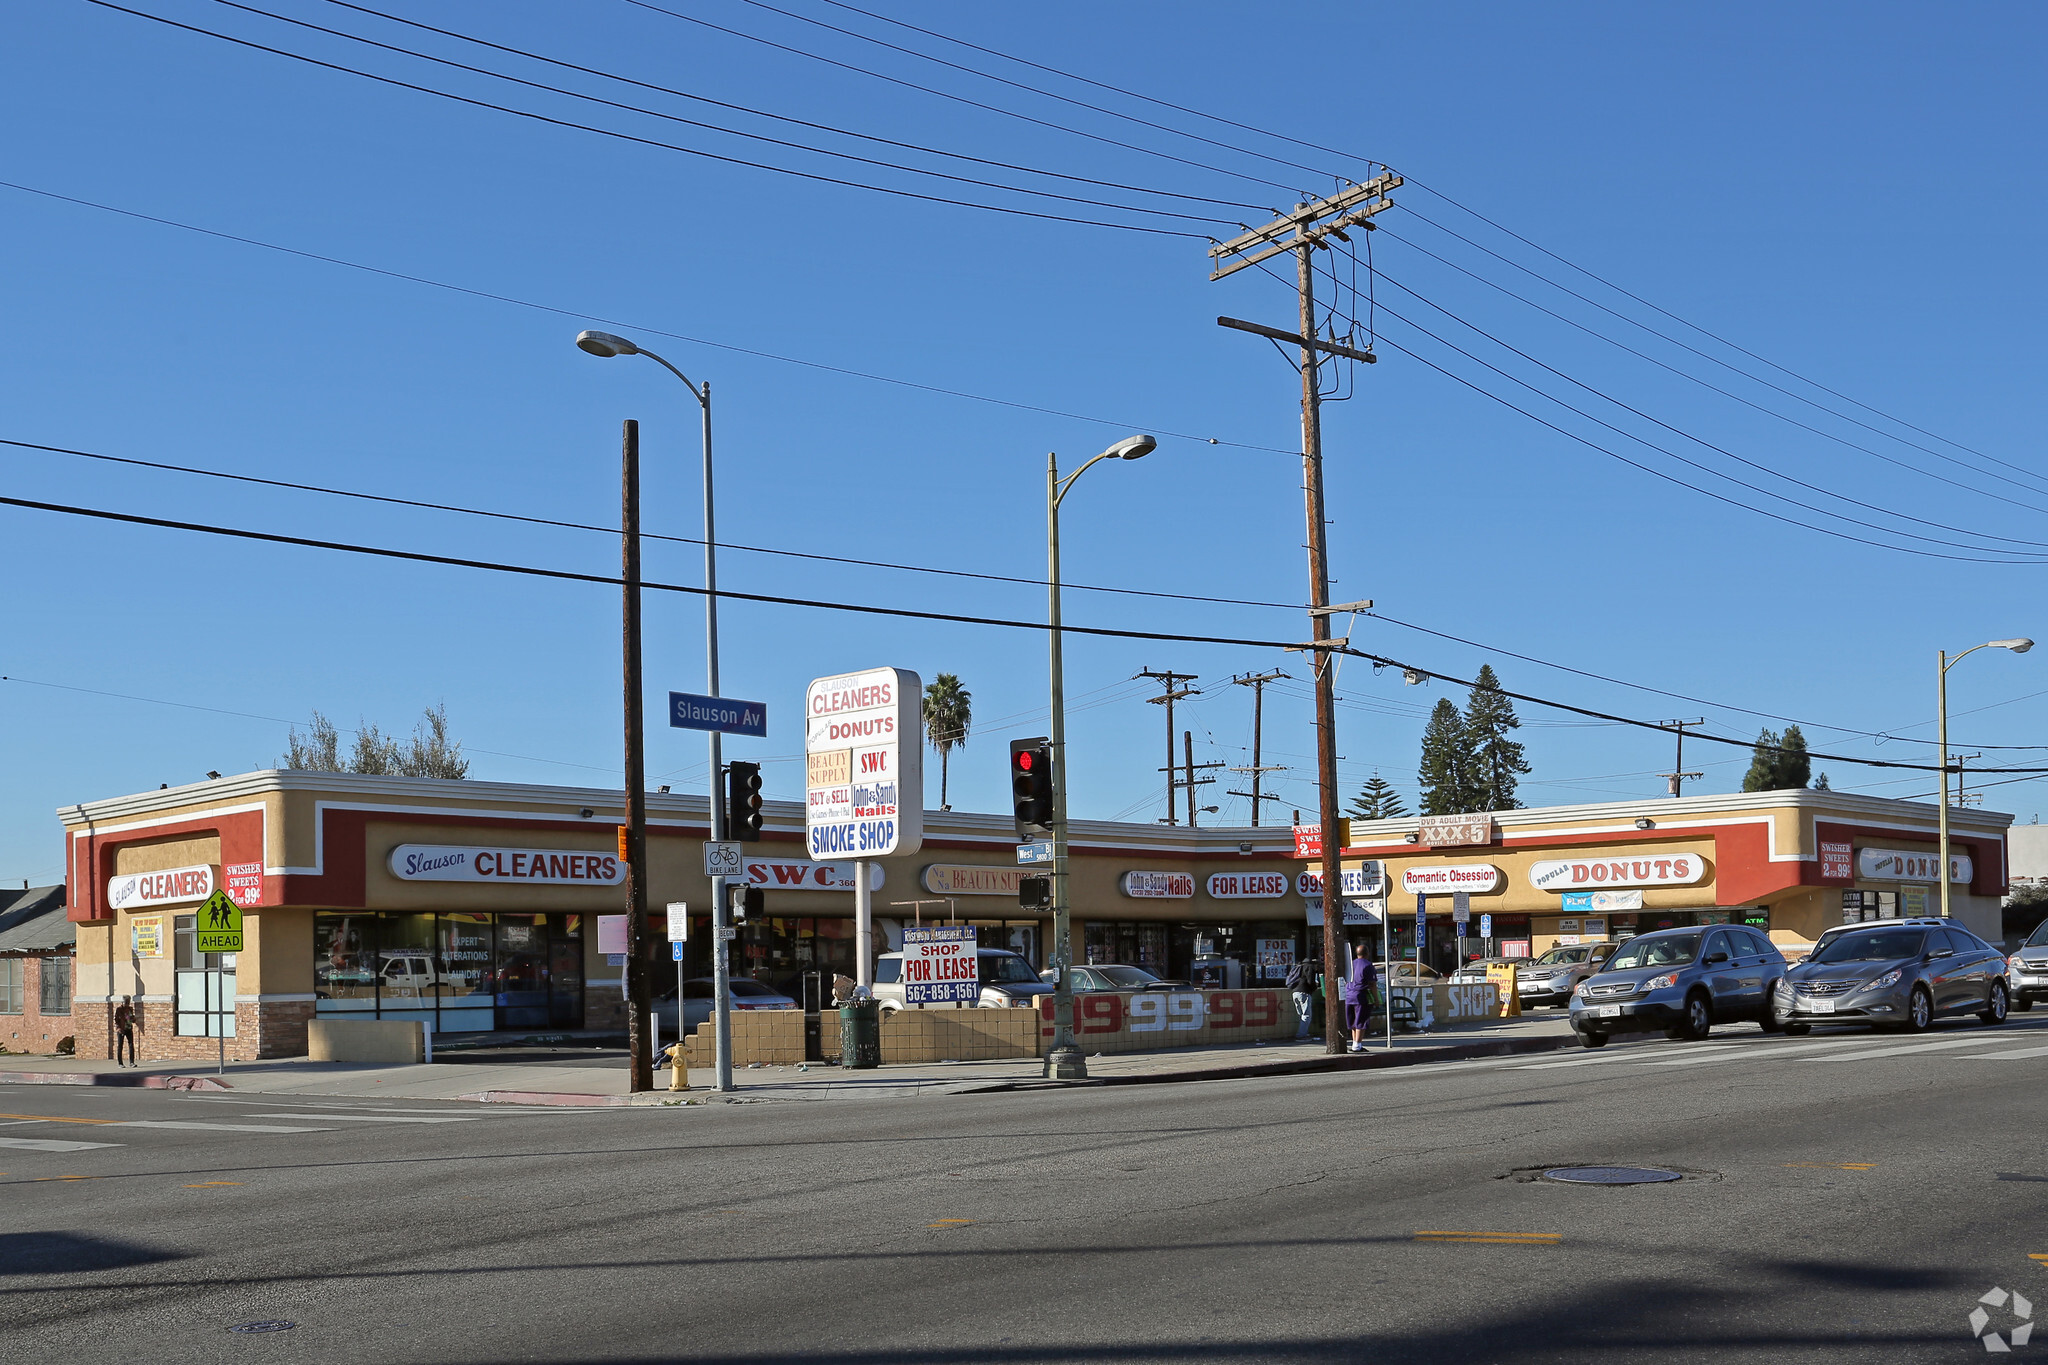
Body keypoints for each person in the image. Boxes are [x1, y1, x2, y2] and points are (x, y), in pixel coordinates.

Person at [1340, 951, 1379, 1053]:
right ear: (1367, 954)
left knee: (1353, 1021)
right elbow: (1372, 984)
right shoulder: (1368, 965)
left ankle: (1355, 1043)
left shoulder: (1350, 964)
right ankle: (1357, 1045)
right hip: (1361, 995)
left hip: (1348, 995)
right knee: (1361, 1020)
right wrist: (1376, 999)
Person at [1284, 956, 1318, 1040]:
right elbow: (1311, 981)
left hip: (1294, 993)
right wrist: (1314, 988)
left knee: (1301, 1015)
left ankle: (1303, 1032)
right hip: (1304, 992)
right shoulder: (1309, 967)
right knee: (1306, 1015)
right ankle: (1301, 1035)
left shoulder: (1298, 967)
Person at [114, 996, 137, 1068]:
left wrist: (133, 1018)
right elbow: (116, 1019)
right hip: (122, 1029)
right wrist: (118, 1028)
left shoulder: (130, 1009)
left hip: (129, 1028)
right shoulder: (119, 1009)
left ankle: (131, 1062)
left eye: (128, 1003)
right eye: (126, 1002)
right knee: (120, 1045)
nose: (127, 1004)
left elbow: (131, 1019)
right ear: (122, 1002)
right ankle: (120, 1063)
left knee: (131, 1045)